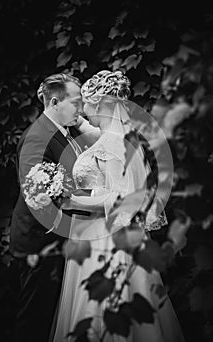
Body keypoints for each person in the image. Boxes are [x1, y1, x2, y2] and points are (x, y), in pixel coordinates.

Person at [51, 70, 185, 341]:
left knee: (102, 308)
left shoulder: (113, 143)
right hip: (100, 233)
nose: (82, 108)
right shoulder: (116, 137)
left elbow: (120, 198)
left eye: (85, 102)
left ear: (99, 103)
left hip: (104, 238)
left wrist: (70, 199)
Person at [10, 73, 99, 342]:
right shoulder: (37, 138)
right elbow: (39, 200)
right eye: (76, 102)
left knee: (54, 321)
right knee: (35, 320)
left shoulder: (66, 130)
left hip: (59, 239)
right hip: (40, 242)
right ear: (55, 102)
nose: (81, 109)